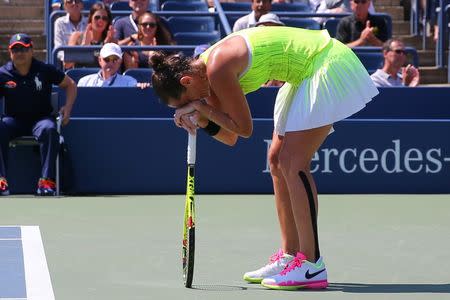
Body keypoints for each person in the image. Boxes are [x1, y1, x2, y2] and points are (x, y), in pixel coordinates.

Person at [150, 26, 378, 290]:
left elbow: (244, 129)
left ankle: (312, 264)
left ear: (186, 82)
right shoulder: (206, 80)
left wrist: (200, 108)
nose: (185, 106)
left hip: (324, 62)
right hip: (302, 74)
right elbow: (230, 136)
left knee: (293, 163)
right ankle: (291, 256)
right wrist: (201, 120)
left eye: (182, 103)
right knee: (277, 160)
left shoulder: (218, 67)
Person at [0, 34, 77, 196]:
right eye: (15, 50)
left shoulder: (44, 70)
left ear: (31, 50)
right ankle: (1, 181)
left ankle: (46, 181)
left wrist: (67, 108)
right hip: (13, 121)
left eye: (23, 49)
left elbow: (70, 84)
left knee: (49, 129)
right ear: (10, 52)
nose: (19, 53)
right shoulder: (3, 73)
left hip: (40, 119)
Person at [66, 2, 116, 69]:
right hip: (80, 77)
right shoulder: (76, 36)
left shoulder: (112, 40)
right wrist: (83, 47)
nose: (100, 21)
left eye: (104, 18)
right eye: (97, 17)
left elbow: (112, 68)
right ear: (91, 18)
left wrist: (106, 45)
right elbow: (66, 64)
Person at [54, 0, 88, 67]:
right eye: (70, 2)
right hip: (66, 64)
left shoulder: (89, 22)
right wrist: (67, 59)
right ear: (65, 6)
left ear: (82, 5)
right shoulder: (59, 22)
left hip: (86, 62)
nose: (74, 4)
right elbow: (58, 46)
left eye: (77, 1)